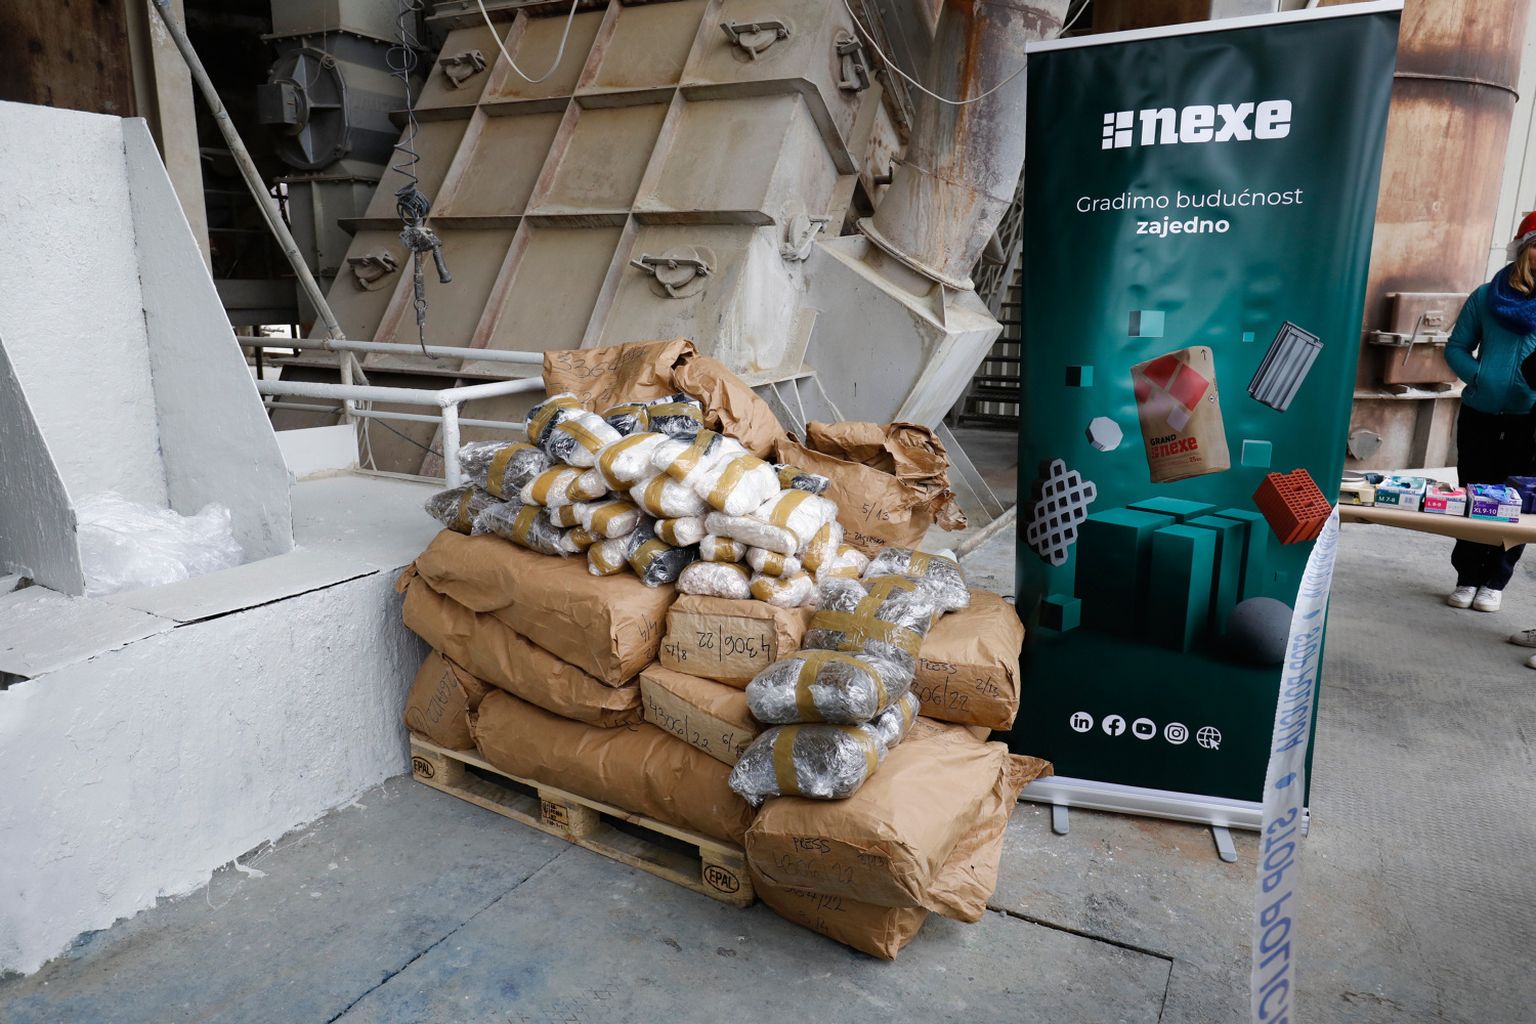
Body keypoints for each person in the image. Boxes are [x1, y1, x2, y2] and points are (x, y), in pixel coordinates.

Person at [1441, 211, 1536, 612]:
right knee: (1473, 494)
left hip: (1529, 419)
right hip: (1480, 413)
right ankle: (1467, 576)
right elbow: (1456, 348)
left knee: (1515, 502)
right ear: (1523, 249)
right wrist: (1479, 376)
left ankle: (1495, 581)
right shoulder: (1485, 296)